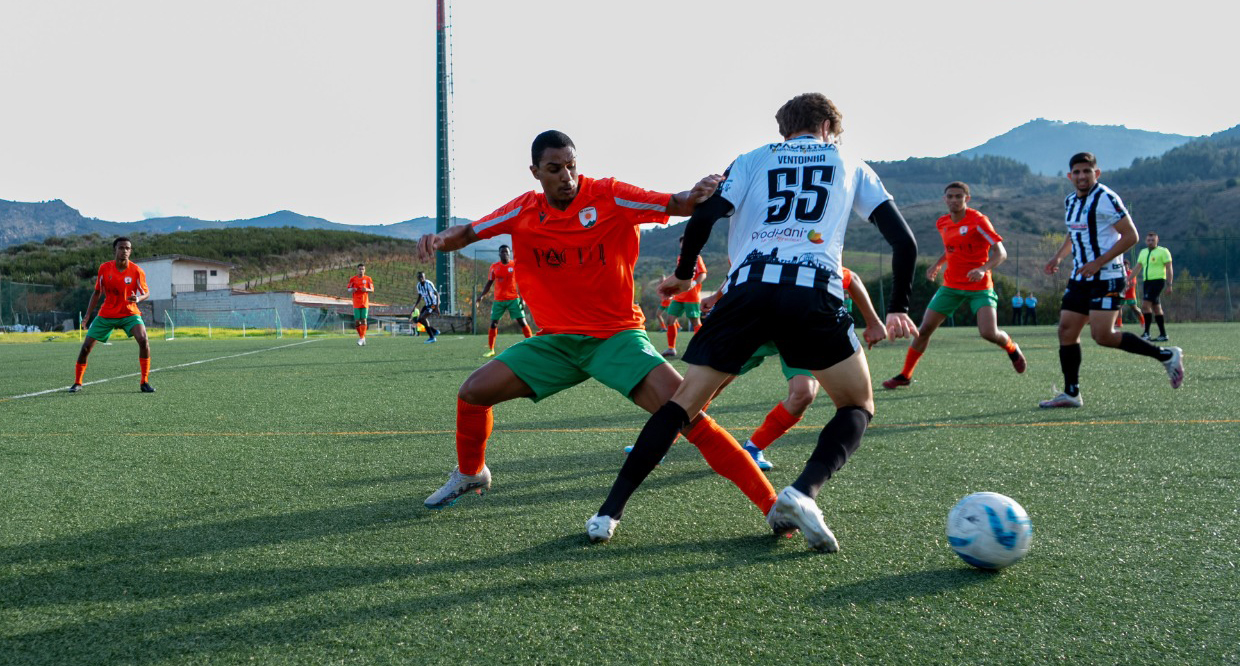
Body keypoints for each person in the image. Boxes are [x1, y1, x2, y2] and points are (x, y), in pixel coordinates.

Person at [588, 93, 919, 550]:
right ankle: (802, 492)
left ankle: (609, 512)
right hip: (812, 289)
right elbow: (904, 241)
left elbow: (704, 214)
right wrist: (898, 306)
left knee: (681, 405)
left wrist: (684, 275)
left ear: (785, 128)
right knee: (857, 406)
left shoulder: (752, 158)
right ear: (827, 125)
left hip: (748, 289)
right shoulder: (849, 162)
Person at [416, 129, 778, 521]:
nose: (567, 177)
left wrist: (701, 191)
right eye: (555, 169)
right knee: (472, 392)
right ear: (536, 171)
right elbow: (469, 232)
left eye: (572, 166)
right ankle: (472, 474)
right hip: (556, 343)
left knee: (687, 415)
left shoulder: (609, 195)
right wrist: (439, 239)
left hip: (617, 339)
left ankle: (774, 507)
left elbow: (678, 203)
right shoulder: (522, 210)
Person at [700, 266, 886, 472]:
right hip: (756, 324)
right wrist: (717, 296)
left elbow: (852, 278)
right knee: (710, 385)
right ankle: (667, 435)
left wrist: (873, 321)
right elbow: (740, 267)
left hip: (799, 329)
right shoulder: (766, 248)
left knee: (803, 393)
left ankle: (752, 448)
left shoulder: (811, 258)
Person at [1039, 152, 1183, 408]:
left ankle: (1166, 355)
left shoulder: (1106, 198)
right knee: (1066, 331)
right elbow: (1073, 235)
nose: (1082, 176)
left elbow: (1131, 236)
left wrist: (1098, 262)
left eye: (1087, 171)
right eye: (1078, 172)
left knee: (1103, 335)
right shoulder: (1070, 201)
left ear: (1097, 173)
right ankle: (1071, 393)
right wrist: (1058, 258)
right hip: (1080, 277)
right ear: (1070, 176)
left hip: (1107, 276)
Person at [882, 181, 1025, 390]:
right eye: (950, 196)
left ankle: (1012, 348)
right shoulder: (942, 223)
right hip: (951, 286)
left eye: (959, 196)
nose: (954, 200)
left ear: (967, 199)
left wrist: (983, 269)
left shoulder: (979, 221)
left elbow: (1000, 253)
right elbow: (952, 249)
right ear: (944, 199)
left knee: (988, 333)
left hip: (979, 287)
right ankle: (905, 375)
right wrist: (937, 265)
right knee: (923, 330)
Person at [69, 237, 155, 393]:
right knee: (86, 347)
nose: (124, 251)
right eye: (121, 248)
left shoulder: (137, 271)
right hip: (107, 314)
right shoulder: (104, 268)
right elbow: (96, 292)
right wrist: (88, 315)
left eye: (127, 248)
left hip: (129, 312)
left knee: (143, 340)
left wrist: (138, 298)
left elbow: (146, 293)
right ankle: (77, 383)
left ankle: (144, 382)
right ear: (115, 250)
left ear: (131, 251)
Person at [478, 244, 534, 357]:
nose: (504, 254)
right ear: (499, 254)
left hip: (514, 299)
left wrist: (523, 299)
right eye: (502, 252)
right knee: (493, 323)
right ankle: (491, 349)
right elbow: (489, 283)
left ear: (510, 253)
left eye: (506, 252)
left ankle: (533, 347)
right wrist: (481, 295)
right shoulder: (494, 267)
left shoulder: (515, 265)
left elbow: (522, 283)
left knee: (522, 322)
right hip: (498, 300)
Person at [662, 237, 706, 358]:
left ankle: (702, 348)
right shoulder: (680, 258)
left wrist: (694, 283)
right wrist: (669, 286)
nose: (684, 245)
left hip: (692, 296)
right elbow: (678, 276)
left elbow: (703, 274)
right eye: (682, 243)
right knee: (670, 320)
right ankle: (671, 348)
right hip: (678, 296)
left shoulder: (697, 258)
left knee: (695, 322)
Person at [1135, 232, 1173, 341]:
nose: (1150, 242)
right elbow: (1138, 267)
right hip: (1147, 282)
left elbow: (1169, 268)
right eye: (1148, 240)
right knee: (1156, 308)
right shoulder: (1143, 252)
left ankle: (1146, 333)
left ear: (1157, 240)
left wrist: (1169, 284)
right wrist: (1128, 279)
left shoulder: (1163, 251)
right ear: (1145, 241)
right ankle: (1163, 335)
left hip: (1158, 281)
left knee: (1145, 305)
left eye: (1153, 240)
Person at [346, 263, 374, 346]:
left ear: (365, 270)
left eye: (362, 269)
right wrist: (352, 289)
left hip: (364, 302)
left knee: (364, 319)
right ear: (357, 270)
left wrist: (367, 289)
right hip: (356, 302)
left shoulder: (368, 279)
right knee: (357, 321)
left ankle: (361, 338)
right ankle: (362, 337)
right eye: (360, 269)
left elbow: (372, 289)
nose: (361, 270)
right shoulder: (353, 279)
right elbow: (348, 289)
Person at [413, 271, 441, 343]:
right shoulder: (418, 285)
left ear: (424, 277)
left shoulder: (429, 284)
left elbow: (437, 294)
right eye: (419, 277)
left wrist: (437, 307)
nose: (421, 278)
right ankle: (434, 331)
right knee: (419, 320)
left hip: (433, 304)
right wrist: (415, 306)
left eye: (422, 277)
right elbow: (420, 296)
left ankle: (432, 337)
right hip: (428, 304)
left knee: (423, 318)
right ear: (418, 278)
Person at [1117, 258, 1144, 329]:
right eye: (1123, 265)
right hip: (1122, 294)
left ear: (1128, 266)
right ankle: (1119, 324)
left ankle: (1143, 322)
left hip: (1130, 294)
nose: (1125, 267)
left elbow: (1132, 283)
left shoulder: (1131, 273)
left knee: (1134, 308)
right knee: (1118, 307)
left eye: (1126, 265)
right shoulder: (1120, 273)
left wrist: (1126, 288)